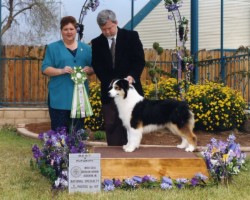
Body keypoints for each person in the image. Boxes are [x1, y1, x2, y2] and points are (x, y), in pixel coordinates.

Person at [91, 9, 145, 146]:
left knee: (132, 125)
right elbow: (97, 66)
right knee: (112, 124)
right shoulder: (97, 43)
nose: (107, 32)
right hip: (109, 92)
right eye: (104, 29)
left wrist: (132, 76)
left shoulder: (131, 36)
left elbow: (139, 60)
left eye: (109, 28)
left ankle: (132, 152)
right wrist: (112, 82)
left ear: (116, 23)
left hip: (130, 92)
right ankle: (114, 158)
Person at [42, 16, 93, 132]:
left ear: (76, 30)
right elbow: (45, 68)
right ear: (61, 31)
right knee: (59, 136)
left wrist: (90, 70)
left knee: (78, 135)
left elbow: (94, 68)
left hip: (80, 100)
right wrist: (61, 71)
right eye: (65, 29)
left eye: (71, 29)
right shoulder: (52, 48)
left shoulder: (86, 49)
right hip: (59, 99)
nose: (69, 32)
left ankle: (76, 150)